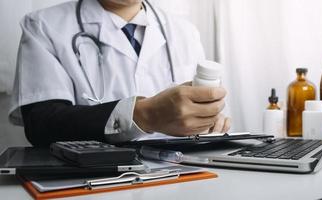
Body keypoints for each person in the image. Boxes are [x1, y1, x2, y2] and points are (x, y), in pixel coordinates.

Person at [8, 0, 231, 147]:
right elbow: (41, 125)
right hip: (92, 182)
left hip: (181, 174)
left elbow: (210, 109)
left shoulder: (185, 31)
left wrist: (209, 119)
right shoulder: (43, 25)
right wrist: (144, 115)